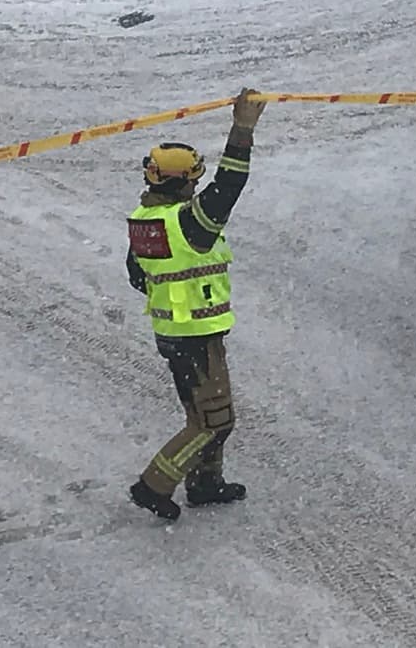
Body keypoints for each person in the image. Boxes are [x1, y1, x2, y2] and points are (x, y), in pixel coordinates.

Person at [125, 87, 265, 521]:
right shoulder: (189, 223)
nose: (197, 185)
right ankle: (154, 485)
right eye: (193, 179)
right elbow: (229, 186)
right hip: (195, 337)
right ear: (183, 182)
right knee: (213, 422)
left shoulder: (147, 220)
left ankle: (206, 483)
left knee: (204, 412)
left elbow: (136, 275)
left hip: (174, 333)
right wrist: (242, 129)